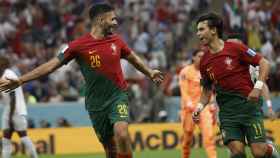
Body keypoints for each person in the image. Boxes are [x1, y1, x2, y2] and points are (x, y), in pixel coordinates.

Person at [0, 4, 163, 158]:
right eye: (112, 19)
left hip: (117, 96)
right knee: (110, 149)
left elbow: (132, 58)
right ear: (100, 20)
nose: (116, 22)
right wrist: (21, 79)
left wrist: (149, 72)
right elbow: (51, 66)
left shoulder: (117, 41)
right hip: (95, 104)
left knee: (121, 132)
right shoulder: (77, 46)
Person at [192, 13, 279, 158]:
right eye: (197, 30)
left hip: (249, 107)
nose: (198, 33)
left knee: (258, 152)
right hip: (227, 113)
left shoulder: (235, 48)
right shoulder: (204, 61)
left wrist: (257, 88)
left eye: (201, 29)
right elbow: (207, 89)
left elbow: (264, 63)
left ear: (213, 30)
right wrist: (199, 108)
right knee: (237, 152)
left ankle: (269, 150)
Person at [227, 37, 277, 120]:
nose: (231, 48)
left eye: (234, 45)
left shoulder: (253, 65)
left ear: (242, 46)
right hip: (231, 111)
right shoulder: (223, 66)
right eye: (229, 45)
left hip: (251, 109)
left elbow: (262, 85)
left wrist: (269, 107)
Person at [179, 50, 217, 158]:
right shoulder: (185, 72)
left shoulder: (207, 72)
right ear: (193, 58)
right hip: (189, 109)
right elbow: (184, 91)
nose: (201, 58)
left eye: (203, 56)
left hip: (204, 108)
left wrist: (212, 103)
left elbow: (209, 90)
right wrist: (189, 104)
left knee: (209, 137)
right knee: (187, 140)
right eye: (199, 56)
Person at [0, 56, 38, 158]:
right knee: (6, 138)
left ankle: (35, 156)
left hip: (15, 109)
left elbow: (13, 97)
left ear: (3, 65)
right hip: (8, 108)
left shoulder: (8, 75)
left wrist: (11, 116)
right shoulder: (2, 75)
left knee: (23, 136)